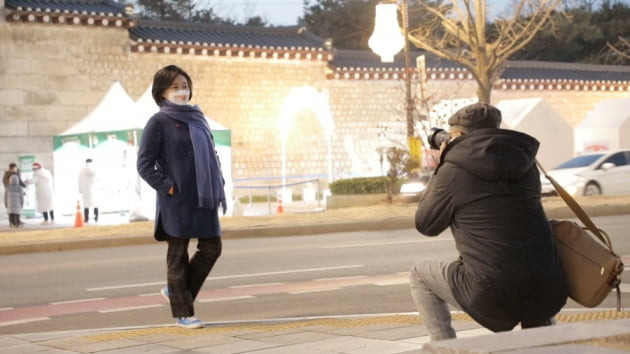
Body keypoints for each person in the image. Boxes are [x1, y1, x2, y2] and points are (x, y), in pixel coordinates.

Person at [409, 103, 568, 341]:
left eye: (451, 136)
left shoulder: (453, 170)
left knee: (419, 274)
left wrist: (441, 166)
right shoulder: (526, 164)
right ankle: (545, 344)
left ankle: (444, 348)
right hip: (549, 284)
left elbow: (426, 224)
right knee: (533, 289)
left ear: (459, 135)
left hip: (492, 292)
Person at [137, 65, 226, 329]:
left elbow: (211, 152)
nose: (182, 92)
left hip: (204, 197)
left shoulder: (199, 118)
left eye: (185, 86)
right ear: (162, 92)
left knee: (212, 248)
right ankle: (183, 314)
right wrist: (168, 186)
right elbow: (144, 164)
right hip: (176, 200)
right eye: (175, 87)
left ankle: (176, 292)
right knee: (178, 256)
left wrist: (218, 178)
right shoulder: (158, 122)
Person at [4, 164, 25, 228]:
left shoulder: (7, 175)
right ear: (13, 168)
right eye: (15, 167)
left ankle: (12, 223)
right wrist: (22, 203)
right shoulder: (14, 175)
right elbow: (22, 196)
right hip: (17, 199)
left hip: (9, 198)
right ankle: (17, 223)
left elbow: (5, 196)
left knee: (11, 212)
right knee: (16, 212)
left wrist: (6, 203)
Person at [78, 158, 99, 223]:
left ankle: (86, 218)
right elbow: (98, 177)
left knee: (86, 204)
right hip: (93, 188)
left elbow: (79, 180)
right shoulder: (94, 169)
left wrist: (80, 189)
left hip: (86, 189)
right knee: (94, 204)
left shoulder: (82, 169)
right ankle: (96, 218)